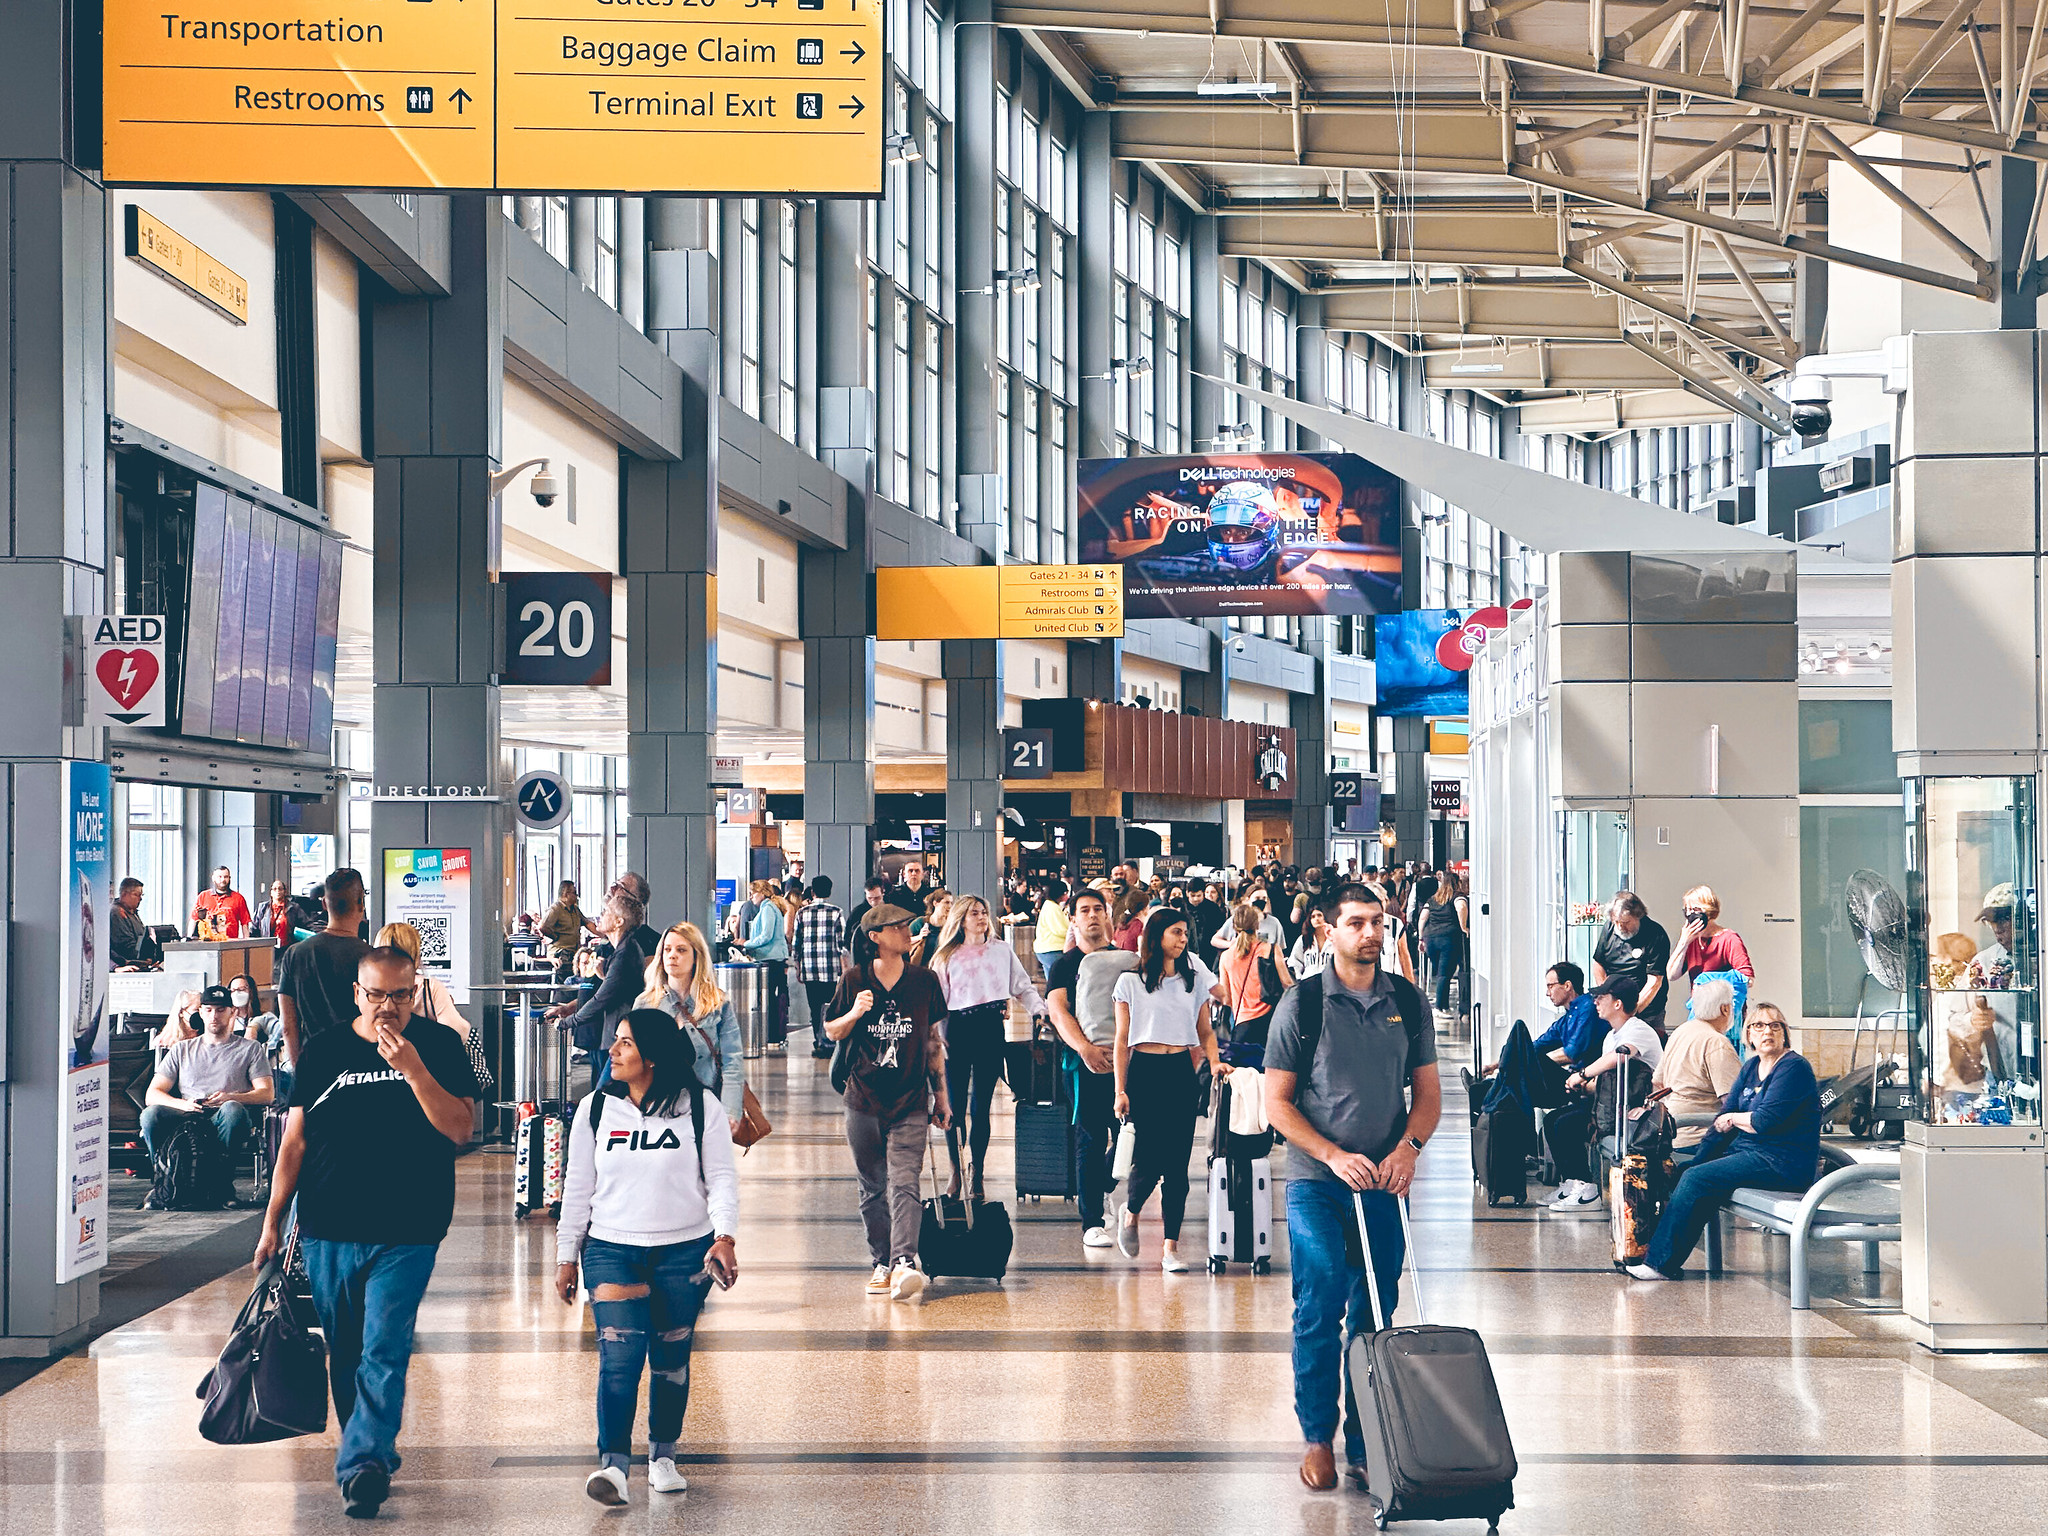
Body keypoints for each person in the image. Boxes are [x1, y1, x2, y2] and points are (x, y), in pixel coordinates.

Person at [254, 947, 479, 1518]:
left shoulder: (440, 1047)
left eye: (400, 995)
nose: (388, 1008)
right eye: (376, 994)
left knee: (384, 1343)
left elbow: (459, 1128)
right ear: (358, 993)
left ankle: (362, 1463)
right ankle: (368, 1446)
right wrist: (273, 1221)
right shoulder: (325, 1051)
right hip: (330, 1223)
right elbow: (296, 1142)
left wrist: (414, 1071)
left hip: (410, 1224)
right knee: (347, 1347)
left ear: (415, 992)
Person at [1264, 884, 1440, 1493]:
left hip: (1385, 1181)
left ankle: (1366, 1439)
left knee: (1374, 1309)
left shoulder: (1407, 1002)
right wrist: (1332, 1155)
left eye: (1378, 922)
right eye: (1357, 923)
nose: (1371, 933)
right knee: (1319, 1304)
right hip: (1318, 1179)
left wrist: (1407, 1151)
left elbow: (1428, 1095)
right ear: (1327, 929)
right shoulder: (1302, 1004)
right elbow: (1276, 1105)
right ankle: (1318, 1435)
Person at [555, 1008, 741, 1506]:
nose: (612, 1051)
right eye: (615, 1042)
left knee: (670, 1361)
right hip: (613, 1249)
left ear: (653, 1057)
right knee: (619, 1359)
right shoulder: (595, 1109)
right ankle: (613, 1467)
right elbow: (577, 1188)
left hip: (684, 1252)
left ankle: (662, 1456)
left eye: (625, 1044)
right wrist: (565, 1255)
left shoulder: (701, 1107)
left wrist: (725, 1237)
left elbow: (721, 1177)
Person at [1628, 1003, 1820, 1281]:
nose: (1767, 1031)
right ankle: (1648, 1251)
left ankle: (1659, 1264)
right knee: (1687, 1172)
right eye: (1759, 1026)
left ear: (1785, 1034)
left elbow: (1763, 1121)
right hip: (1750, 1154)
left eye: (1775, 1025)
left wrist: (1733, 1119)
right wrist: (1699, 1159)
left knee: (1698, 1179)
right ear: (1748, 1035)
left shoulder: (1794, 1068)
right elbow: (1723, 1120)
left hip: (1783, 1162)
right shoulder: (1752, 1066)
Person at [823, 905, 951, 1301]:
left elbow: (931, 1039)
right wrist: (856, 1012)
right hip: (862, 1098)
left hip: (911, 1097)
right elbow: (831, 1030)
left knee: (905, 1180)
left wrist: (941, 1093)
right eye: (897, 927)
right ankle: (880, 1261)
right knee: (872, 1185)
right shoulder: (854, 979)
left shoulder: (925, 980)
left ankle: (905, 1262)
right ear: (876, 937)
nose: (906, 931)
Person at [1111, 906, 1224, 1272]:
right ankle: (1130, 1212)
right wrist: (1120, 1089)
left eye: (1185, 933)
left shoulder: (1192, 981)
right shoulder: (1129, 982)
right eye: (1176, 932)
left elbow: (1205, 1031)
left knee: (1177, 1164)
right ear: (1157, 937)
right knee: (1148, 1157)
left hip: (1179, 1072)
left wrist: (1215, 1060)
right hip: (1144, 1071)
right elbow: (1121, 1039)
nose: (1183, 939)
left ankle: (1169, 1247)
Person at [929, 894, 1047, 1199]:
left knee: (981, 1108)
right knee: (953, 1107)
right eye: (974, 914)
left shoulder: (1000, 951)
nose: (982, 918)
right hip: (956, 1029)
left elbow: (1022, 985)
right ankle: (955, 1169)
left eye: (984, 912)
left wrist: (1040, 1009)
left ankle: (977, 1172)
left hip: (990, 1028)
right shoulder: (947, 956)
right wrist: (934, 1036)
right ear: (961, 920)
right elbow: (937, 1001)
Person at [1044, 887, 1133, 1249]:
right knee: (1091, 1137)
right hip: (1084, 1065)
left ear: (1109, 915)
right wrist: (1084, 1049)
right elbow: (1057, 1009)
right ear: (1074, 918)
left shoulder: (1127, 960)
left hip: (1127, 1062)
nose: (1093, 915)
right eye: (1085, 910)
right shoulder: (1065, 965)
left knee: (1133, 1134)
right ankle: (1091, 1221)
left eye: (1099, 909)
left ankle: (1103, 1185)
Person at [1546, 975, 1666, 1211]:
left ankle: (1588, 1190)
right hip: (1611, 1105)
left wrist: (1582, 1075)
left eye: (1602, 997)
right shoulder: (1611, 1036)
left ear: (1618, 1003)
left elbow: (1620, 1056)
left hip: (1634, 1113)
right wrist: (1581, 1086)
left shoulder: (1637, 1029)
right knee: (1553, 1121)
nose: (1596, 1002)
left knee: (1566, 1126)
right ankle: (1572, 1183)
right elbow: (1604, 1081)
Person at [141, 983, 273, 1171]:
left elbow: (266, 1094)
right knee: (150, 1115)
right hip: (188, 1111)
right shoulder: (182, 1049)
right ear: (201, 1013)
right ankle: (163, 1175)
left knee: (233, 1109)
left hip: (224, 1114)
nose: (214, 1016)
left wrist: (232, 1097)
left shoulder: (250, 1049)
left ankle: (223, 1180)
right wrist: (182, 1104)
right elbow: (152, 1094)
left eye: (220, 1010)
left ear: (232, 1012)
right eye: (208, 1010)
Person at [638, 922, 745, 1122]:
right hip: (656, 1108)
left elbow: (733, 1061)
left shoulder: (718, 1004)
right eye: (667, 950)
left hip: (705, 1106)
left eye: (681, 950)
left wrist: (730, 1111)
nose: (672, 955)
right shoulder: (645, 1003)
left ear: (696, 957)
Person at [551, 888, 655, 1091]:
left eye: (606, 912)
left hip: (622, 1038)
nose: (600, 916)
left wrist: (567, 1022)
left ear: (619, 922)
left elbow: (602, 999)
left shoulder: (625, 954)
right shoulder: (622, 952)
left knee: (603, 1098)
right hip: (614, 1037)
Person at [1473, 961, 1605, 1107]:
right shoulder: (1566, 1018)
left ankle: (1484, 1094)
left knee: (1522, 1066)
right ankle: (1483, 1091)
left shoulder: (1587, 1008)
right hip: (1570, 1078)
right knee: (1518, 1054)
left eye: (1550, 986)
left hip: (1579, 1080)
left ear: (1567, 986)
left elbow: (1572, 1054)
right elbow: (1537, 1045)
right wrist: (1495, 1065)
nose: (1547, 993)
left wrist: (1530, 1062)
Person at [278, 868, 372, 1067]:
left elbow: (288, 1026)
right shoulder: (372, 958)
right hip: (360, 1065)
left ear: (324, 903)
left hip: (314, 1063)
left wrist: (299, 1072)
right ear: (361, 904)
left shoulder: (295, 954)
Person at [1654, 975, 1743, 1150]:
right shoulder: (1716, 1042)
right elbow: (1734, 1101)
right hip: (1700, 1137)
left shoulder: (1681, 1031)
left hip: (1671, 1134)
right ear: (1725, 1009)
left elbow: (1657, 1081)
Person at [1592, 891, 1672, 1037]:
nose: (1620, 927)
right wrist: (1605, 994)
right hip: (1613, 1005)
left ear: (1638, 916)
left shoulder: (1656, 934)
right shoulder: (1609, 928)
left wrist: (1631, 1011)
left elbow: (1655, 981)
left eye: (1625, 923)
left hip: (1646, 1009)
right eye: (1616, 922)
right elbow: (1598, 964)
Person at [1218, 901, 1294, 1051]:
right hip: (1271, 1022)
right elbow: (1287, 984)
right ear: (1257, 925)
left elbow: (1226, 999)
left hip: (1242, 1024)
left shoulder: (1226, 957)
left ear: (1234, 927)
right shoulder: (1271, 950)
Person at [792, 875, 847, 1059]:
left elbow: (796, 943)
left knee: (814, 1007)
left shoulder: (802, 913)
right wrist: (845, 968)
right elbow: (841, 945)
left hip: (810, 969)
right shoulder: (837, 912)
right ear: (829, 891)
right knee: (831, 1006)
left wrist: (798, 966)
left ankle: (818, 1041)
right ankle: (829, 1042)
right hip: (831, 970)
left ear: (812, 892)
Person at [1665, 885, 1755, 997]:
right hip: (1699, 1008)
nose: (1689, 915)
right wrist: (1683, 942)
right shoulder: (1691, 940)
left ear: (1709, 911)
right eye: (1686, 910)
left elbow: (1748, 979)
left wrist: (1712, 981)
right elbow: (1671, 975)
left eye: (1695, 910)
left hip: (1725, 1008)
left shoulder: (1728, 938)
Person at [737, 878, 790, 1044]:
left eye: (753, 893)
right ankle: (773, 1034)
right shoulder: (770, 907)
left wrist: (746, 943)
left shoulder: (767, 908)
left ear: (763, 893)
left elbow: (766, 935)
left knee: (769, 1000)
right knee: (772, 999)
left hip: (770, 959)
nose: (751, 896)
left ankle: (772, 1035)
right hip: (774, 959)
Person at [1419, 873, 1468, 1017]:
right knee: (1445, 974)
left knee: (1442, 974)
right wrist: (1463, 926)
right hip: (1448, 938)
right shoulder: (1457, 896)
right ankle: (1439, 1007)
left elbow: (1422, 918)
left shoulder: (1434, 898)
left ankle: (1444, 1006)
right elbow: (1461, 907)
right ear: (1457, 882)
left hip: (1430, 938)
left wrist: (1421, 938)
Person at [540, 881, 590, 979]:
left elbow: (587, 923)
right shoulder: (555, 909)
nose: (577, 896)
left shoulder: (575, 910)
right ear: (566, 894)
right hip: (561, 952)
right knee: (565, 981)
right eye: (574, 893)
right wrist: (554, 937)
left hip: (574, 951)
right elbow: (543, 926)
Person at [189, 864, 252, 940]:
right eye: (219, 877)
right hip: (207, 943)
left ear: (229, 878)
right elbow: (193, 919)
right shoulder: (203, 896)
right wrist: (188, 939)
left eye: (226, 877)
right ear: (213, 878)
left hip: (230, 944)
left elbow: (245, 923)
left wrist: (247, 943)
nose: (223, 880)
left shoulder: (238, 898)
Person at [111, 876, 160, 969]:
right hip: (127, 966)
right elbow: (125, 946)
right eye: (136, 894)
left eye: (141, 895)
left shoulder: (133, 913)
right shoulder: (117, 913)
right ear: (124, 894)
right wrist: (144, 958)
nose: (140, 899)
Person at [1033, 879, 1070, 980]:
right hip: (1053, 950)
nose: (1066, 896)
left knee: (1051, 981)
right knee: (1058, 982)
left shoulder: (1049, 905)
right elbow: (1060, 930)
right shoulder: (1053, 908)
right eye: (1065, 893)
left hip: (1045, 949)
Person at [1289, 901, 1335, 980]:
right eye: (1313, 917)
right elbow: (1294, 962)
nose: (1316, 919)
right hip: (1308, 983)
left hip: (1330, 983)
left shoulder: (1334, 938)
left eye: (1319, 915)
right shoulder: (1303, 939)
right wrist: (1299, 978)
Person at [253, 878, 297, 954]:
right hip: (267, 949)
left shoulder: (293, 908)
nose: (277, 891)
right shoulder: (263, 907)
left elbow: (307, 923)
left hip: (287, 949)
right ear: (271, 892)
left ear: (284, 891)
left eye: (280, 889)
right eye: (275, 889)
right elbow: (254, 928)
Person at [1187, 882, 1229, 955]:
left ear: (1203, 893)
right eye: (1193, 895)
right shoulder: (1183, 906)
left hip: (1209, 949)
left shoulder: (1213, 908)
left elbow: (1219, 930)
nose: (1196, 899)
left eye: (1198, 895)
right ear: (1187, 893)